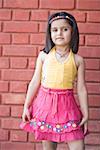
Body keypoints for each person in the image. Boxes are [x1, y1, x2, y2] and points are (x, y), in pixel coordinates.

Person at [20, 12, 89, 150]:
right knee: (48, 147)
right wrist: (26, 106)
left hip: (67, 106)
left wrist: (86, 113)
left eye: (65, 29)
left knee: (78, 146)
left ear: (73, 32)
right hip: (45, 105)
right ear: (49, 33)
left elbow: (81, 88)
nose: (59, 33)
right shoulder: (43, 56)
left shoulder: (77, 60)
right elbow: (35, 82)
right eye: (55, 30)